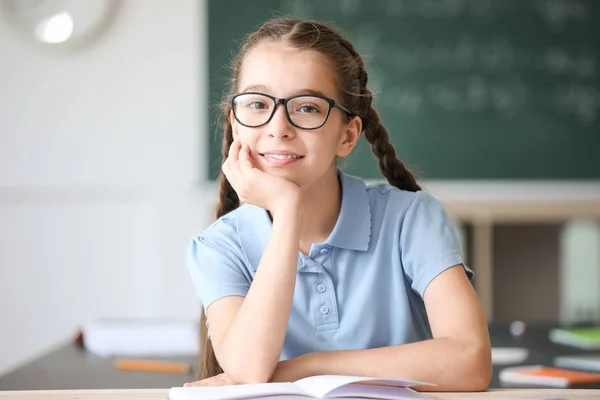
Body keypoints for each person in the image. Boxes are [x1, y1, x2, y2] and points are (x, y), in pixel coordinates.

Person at [185, 17, 492, 391]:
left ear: (347, 136)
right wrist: (287, 210)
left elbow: (470, 360)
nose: (278, 126)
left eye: (308, 108)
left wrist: (308, 367)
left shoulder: (410, 218)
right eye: (257, 103)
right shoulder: (218, 246)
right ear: (235, 125)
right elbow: (250, 371)